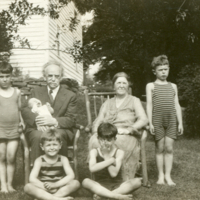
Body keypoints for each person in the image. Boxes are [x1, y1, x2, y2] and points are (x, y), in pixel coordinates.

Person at [89, 72, 148, 181]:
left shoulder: (134, 100)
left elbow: (143, 119)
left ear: (128, 85)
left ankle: (121, 177)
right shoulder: (107, 103)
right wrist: (96, 132)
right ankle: (102, 174)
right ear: (114, 85)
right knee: (95, 140)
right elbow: (99, 120)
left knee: (118, 141)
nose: (121, 85)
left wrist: (129, 130)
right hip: (107, 133)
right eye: (118, 83)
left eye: (124, 83)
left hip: (125, 134)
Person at [22, 60, 77, 165]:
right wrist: (37, 121)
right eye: (50, 75)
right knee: (38, 136)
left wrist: (54, 121)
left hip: (60, 128)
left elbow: (71, 119)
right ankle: (38, 175)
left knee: (58, 135)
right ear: (44, 76)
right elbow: (25, 109)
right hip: (38, 128)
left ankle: (61, 173)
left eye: (56, 76)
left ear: (61, 77)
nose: (53, 79)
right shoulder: (36, 91)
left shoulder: (70, 95)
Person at [146, 55, 183, 186]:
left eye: (165, 69)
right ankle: (160, 175)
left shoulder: (173, 86)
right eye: (160, 69)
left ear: (169, 69)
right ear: (154, 71)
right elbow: (149, 104)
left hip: (171, 120)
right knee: (159, 148)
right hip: (157, 120)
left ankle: (168, 176)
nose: (163, 72)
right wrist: (150, 122)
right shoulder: (151, 86)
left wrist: (180, 123)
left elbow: (177, 104)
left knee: (169, 148)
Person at [83, 122, 141, 200]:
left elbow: (113, 173)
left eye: (109, 140)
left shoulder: (119, 152)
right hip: (100, 186)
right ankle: (116, 196)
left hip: (118, 185)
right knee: (85, 182)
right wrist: (111, 161)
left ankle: (104, 195)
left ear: (115, 139)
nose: (106, 142)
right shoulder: (94, 151)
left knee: (137, 181)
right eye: (102, 139)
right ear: (98, 138)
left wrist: (106, 155)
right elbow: (92, 168)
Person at [24, 129, 80, 200]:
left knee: (75, 183)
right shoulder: (39, 160)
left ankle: (47, 198)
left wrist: (55, 185)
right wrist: (45, 187)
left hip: (59, 187)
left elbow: (71, 175)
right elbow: (32, 178)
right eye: (48, 145)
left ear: (60, 145)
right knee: (28, 187)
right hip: (44, 188)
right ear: (42, 147)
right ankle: (57, 198)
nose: (52, 148)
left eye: (55, 144)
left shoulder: (63, 159)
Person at [0, 62, 24, 193]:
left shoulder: (17, 92)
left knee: (11, 156)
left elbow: (19, 110)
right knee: (1, 156)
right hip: (0, 129)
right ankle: (3, 186)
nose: (4, 79)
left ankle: (10, 184)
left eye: (7, 76)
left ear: (11, 76)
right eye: (1, 76)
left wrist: (22, 122)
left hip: (14, 128)